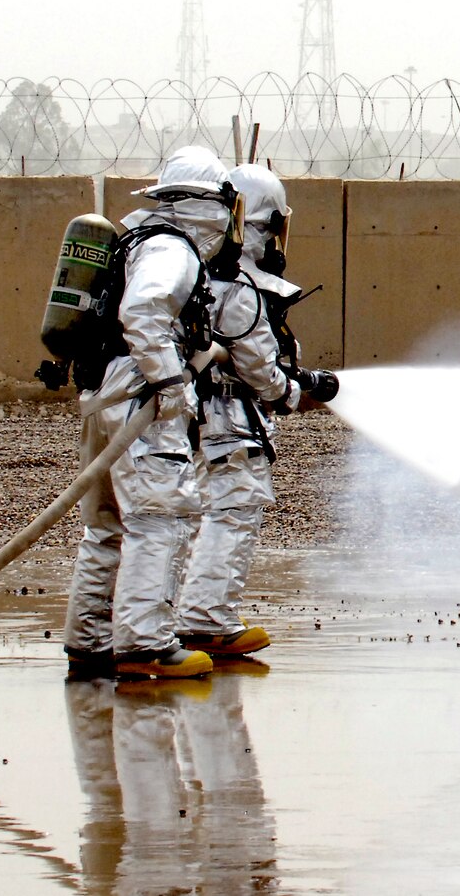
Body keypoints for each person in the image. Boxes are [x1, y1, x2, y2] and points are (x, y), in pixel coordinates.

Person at [62, 145, 237, 681]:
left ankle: (90, 640)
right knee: (159, 516)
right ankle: (144, 644)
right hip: (140, 395)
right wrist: (169, 380)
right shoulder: (173, 249)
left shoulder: (139, 240)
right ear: (210, 205)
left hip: (108, 391)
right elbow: (142, 310)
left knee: (109, 523)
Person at [177, 163, 337, 659]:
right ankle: (206, 619)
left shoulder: (193, 270)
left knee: (181, 517)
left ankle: (166, 619)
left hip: (188, 416)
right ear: (263, 225)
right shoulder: (240, 288)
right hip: (228, 419)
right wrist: (294, 393)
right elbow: (259, 369)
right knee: (235, 510)